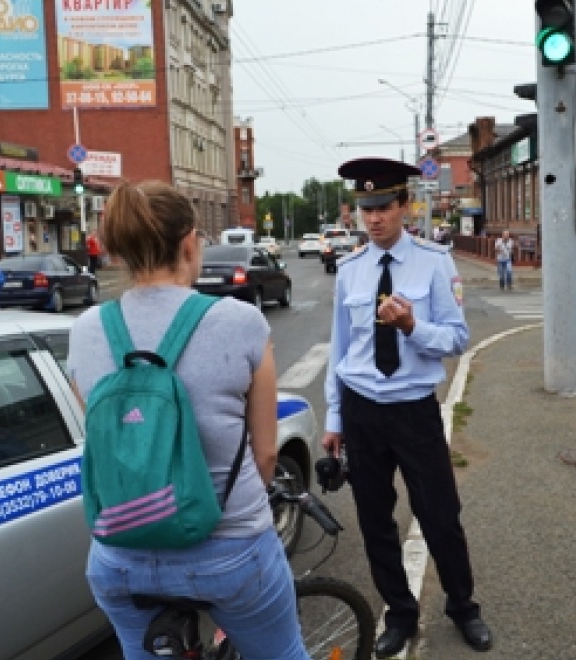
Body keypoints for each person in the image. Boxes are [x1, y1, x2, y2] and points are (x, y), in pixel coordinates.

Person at [67, 181, 309, 660]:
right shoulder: (240, 321)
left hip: (119, 557)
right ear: (188, 243)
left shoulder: (86, 328)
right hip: (229, 549)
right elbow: (265, 453)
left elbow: (108, 439)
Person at [324, 157, 491, 657]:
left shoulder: (434, 262)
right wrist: (334, 419)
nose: (374, 219)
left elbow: (457, 338)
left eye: (383, 207)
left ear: (404, 206)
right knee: (375, 520)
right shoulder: (350, 270)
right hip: (362, 410)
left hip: (413, 409)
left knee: (439, 514)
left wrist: (412, 327)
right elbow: (339, 350)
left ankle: (463, 606)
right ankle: (399, 613)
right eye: (366, 209)